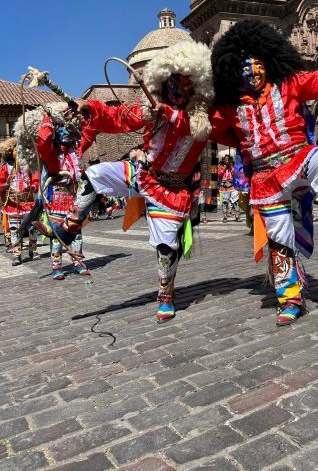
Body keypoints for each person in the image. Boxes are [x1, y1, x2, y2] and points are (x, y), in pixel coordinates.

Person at [210, 19, 318, 327]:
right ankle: (290, 299)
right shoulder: (228, 108)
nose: (252, 72)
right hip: (265, 179)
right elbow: (213, 130)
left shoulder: (290, 84)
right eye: (244, 67)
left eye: (257, 64)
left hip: (298, 158)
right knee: (279, 238)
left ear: (269, 62)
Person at [36, 39, 214, 322]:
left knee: (166, 248)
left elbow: (185, 125)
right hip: (146, 175)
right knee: (96, 174)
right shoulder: (150, 110)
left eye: (185, 84)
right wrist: (88, 107)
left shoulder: (204, 116)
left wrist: (166, 112)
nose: (177, 90)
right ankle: (69, 227)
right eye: (172, 84)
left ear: (197, 86)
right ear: (162, 84)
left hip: (174, 190)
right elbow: (116, 115)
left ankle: (165, 296)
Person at [15, 101, 96, 279]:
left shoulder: (75, 151)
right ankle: (57, 266)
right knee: (57, 233)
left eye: (69, 130)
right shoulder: (51, 152)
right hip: (55, 196)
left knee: (76, 231)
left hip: (73, 195)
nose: (66, 133)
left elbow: (89, 135)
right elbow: (43, 141)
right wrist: (47, 118)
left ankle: (78, 263)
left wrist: (87, 112)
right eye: (62, 129)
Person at [0, 138, 39, 266]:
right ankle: (17, 254)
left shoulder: (27, 166)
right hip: (13, 204)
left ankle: (33, 250)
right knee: (14, 230)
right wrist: (3, 186)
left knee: (33, 227)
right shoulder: (5, 168)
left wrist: (33, 186)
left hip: (28, 203)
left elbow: (35, 179)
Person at [218, 155, 241, 222]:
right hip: (225, 187)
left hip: (233, 186)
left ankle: (237, 216)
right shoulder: (221, 167)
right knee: (225, 202)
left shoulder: (233, 166)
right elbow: (219, 175)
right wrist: (224, 168)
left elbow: (236, 174)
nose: (227, 160)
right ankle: (225, 217)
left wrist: (231, 167)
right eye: (225, 159)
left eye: (228, 159)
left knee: (235, 201)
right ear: (223, 160)